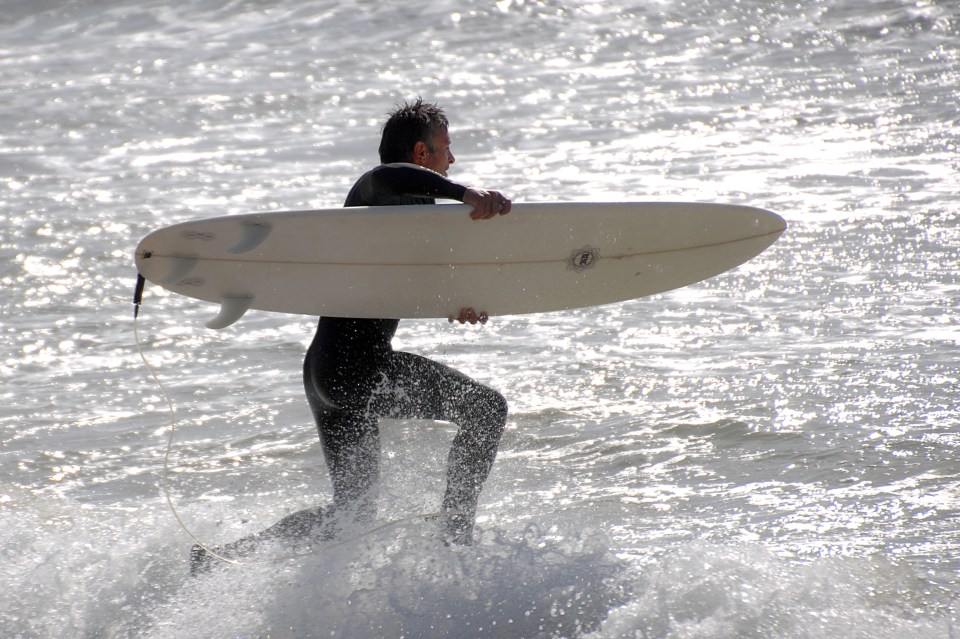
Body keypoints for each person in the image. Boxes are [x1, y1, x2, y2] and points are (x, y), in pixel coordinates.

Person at [191, 98, 510, 573]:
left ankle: (222, 558)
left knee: (352, 512)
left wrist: (454, 305)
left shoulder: (411, 222)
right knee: (487, 409)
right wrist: (464, 193)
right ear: (422, 153)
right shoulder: (378, 192)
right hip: (359, 368)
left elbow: (391, 291)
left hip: (325, 374)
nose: (453, 158)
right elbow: (389, 177)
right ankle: (455, 539)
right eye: (446, 147)